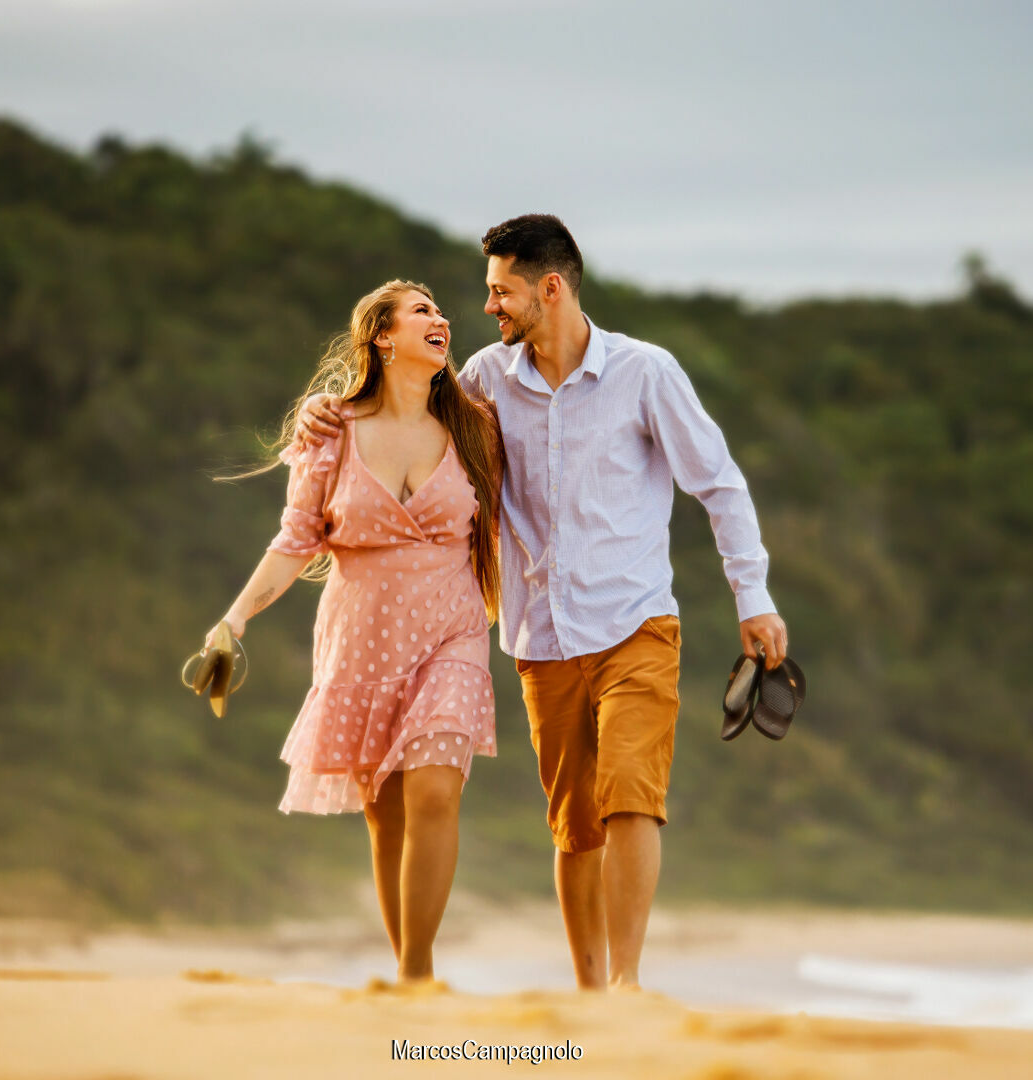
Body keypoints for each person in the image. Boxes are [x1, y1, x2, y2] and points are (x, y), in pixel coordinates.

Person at [300, 216, 787, 992]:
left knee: (632, 797)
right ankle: (590, 988)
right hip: (541, 637)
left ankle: (625, 982)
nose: (488, 307)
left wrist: (752, 599)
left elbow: (719, 485)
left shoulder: (644, 373)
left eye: (501, 291)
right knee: (575, 826)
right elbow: (399, 416)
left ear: (549, 288)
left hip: (636, 624)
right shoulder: (485, 382)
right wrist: (325, 412)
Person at [207, 280, 505, 985]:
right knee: (387, 817)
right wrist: (234, 617)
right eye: (422, 311)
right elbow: (294, 542)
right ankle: (409, 976)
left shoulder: (477, 425)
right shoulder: (330, 431)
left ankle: (417, 972)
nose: (441, 319)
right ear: (382, 336)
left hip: (452, 636)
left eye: (439, 310)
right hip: (361, 642)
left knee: (434, 790)